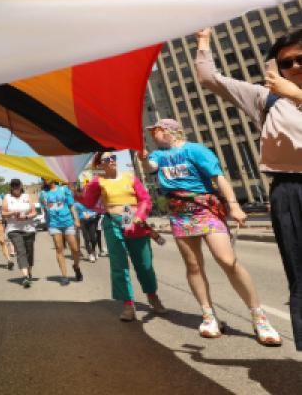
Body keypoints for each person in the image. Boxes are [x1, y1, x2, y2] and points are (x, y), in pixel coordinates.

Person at [196, 27, 302, 350]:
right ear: (276, 68)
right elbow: (209, 78)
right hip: (288, 192)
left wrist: (297, 95)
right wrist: (203, 40)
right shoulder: (265, 98)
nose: (296, 67)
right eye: (287, 63)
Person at [139, 118, 281, 345]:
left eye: (154, 130)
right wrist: (144, 157)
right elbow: (150, 168)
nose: (151, 134)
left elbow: (218, 178)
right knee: (193, 265)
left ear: (168, 131)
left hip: (206, 209)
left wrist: (234, 205)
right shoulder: (158, 155)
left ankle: (258, 316)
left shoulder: (195, 150)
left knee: (227, 260)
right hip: (179, 213)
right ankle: (208, 315)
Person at [81, 153, 166, 321]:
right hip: (112, 222)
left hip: (133, 219)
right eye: (106, 160)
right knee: (119, 265)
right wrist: (84, 185)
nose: (111, 161)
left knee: (144, 263)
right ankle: (128, 304)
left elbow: (145, 199)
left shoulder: (129, 177)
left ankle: (152, 296)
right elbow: (88, 202)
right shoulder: (99, 181)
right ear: (100, 164)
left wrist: (140, 215)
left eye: (113, 157)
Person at [39, 180, 83, 285]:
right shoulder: (43, 193)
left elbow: (71, 205)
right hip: (54, 224)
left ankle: (76, 266)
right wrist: (47, 222)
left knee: (75, 249)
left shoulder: (63, 189)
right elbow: (45, 209)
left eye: (47, 176)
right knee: (59, 249)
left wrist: (76, 219)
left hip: (68, 222)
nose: (45, 179)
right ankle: (64, 276)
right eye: (43, 178)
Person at [2, 179, 37, 287]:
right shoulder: (7, 198)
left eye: (18, 185)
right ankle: (25, 277)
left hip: (29, 228)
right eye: (14, 186)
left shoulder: (27, 197)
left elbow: (34, 212)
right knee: (20, 251)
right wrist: (12, 213)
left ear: (21, 186)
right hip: (13, 229)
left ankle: (29, 271)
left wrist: (26, 217)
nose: (16, 187)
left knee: (29, 253)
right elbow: (3, 213)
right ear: (11, 187)